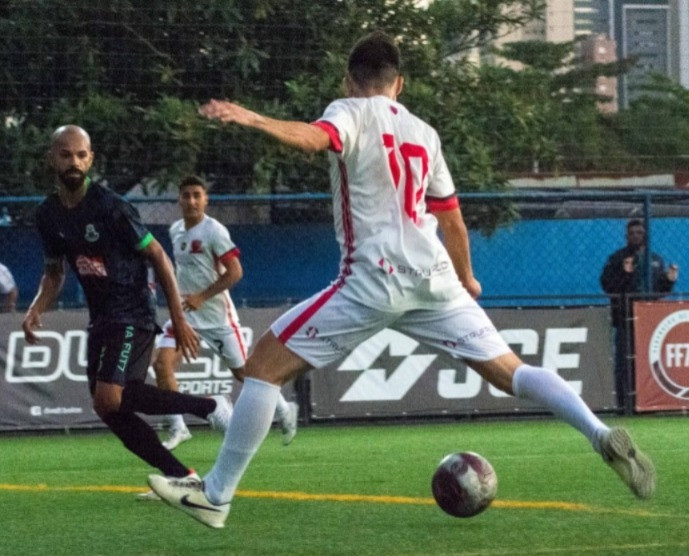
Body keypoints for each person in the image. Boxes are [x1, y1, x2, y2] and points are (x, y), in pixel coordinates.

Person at [148, 31, 656, 529]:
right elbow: (451, 217)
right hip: (434, 279)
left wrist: (253, 117)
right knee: (511, 371)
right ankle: (598, 432)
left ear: (350, 80)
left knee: (262, 367)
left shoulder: (348, 111)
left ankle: (216, 495)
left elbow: (312, 138)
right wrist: (468, 278)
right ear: (401, 84)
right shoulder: (424, 132)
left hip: (373, 279)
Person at [23, 125, 233, 487]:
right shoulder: (47, 215)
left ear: (90, 159)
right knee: (108, 408)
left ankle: (210, 406)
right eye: (65, 154)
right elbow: (54, 272)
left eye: (80, 154)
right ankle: (182, 476)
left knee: (111, 395)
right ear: (51, 159)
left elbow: (160, 258)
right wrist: (36, 308)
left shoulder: (111, 207)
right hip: (101, 317)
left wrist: (178, 319)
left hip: (132, 311)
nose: (73, 161)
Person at [151, 175, 298, 452]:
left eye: (197, 195)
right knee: (161, 365)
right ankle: (178, 427)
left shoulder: (214, 231)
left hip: (217, 318)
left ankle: (284, 408)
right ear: (179, 200)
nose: (192, 201)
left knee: (247, 373)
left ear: (206, 199)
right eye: (186, 195)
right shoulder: (176, 231)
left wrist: (202, 297)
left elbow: (235, 272)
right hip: (185, 317)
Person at [600, 218, 678, 410]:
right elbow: (607, 285)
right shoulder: (617, 259)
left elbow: (660, 291)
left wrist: (669, 280)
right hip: (625, 318)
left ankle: (648, 404)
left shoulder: (656, 260)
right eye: (632, 233)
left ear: (645, 235)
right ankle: (624, 405)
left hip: (649, 322)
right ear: (626, 236)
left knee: (648, 362)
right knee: (624, 364)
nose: (636, 236)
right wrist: (625, 273)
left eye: (639, 233)